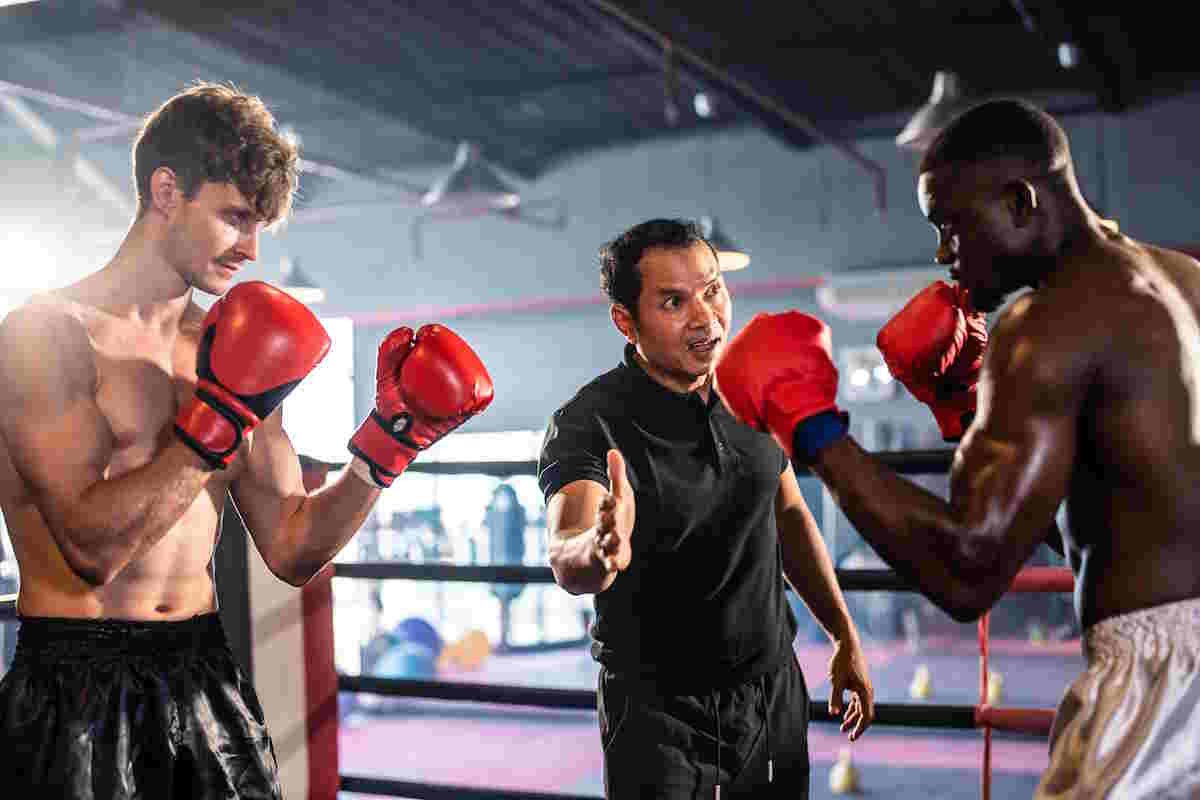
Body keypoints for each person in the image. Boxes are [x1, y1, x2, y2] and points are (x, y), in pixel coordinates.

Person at [0, 82, 494, 798]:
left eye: (261, 224)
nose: (252, 250)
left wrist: (387, 446)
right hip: (73, 686)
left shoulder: (232, 346)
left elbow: (293, 548)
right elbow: (90, 549)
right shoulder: (43, 337)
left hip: (203, 673)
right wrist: (217, 417)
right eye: (235, 217)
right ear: (167, 190)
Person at [713, 99, 1200, 799]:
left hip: (1164, 689)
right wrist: (965, 411)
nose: (944, 253)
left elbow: (968, 571)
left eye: (951, 224)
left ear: (1020, 201)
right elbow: (1126, 518)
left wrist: (812, 427)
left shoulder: (1047, 324)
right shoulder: (1182, 281)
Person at [539, 219, 874, 799]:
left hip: (769, 691)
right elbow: (567, 546)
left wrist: (844, 635)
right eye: (673, 301)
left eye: (712, 290)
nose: (706, 318)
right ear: (626, 320)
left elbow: (789, 513)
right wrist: (597, 548)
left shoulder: (753, 385)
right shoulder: (590, 420)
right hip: (658, 712)